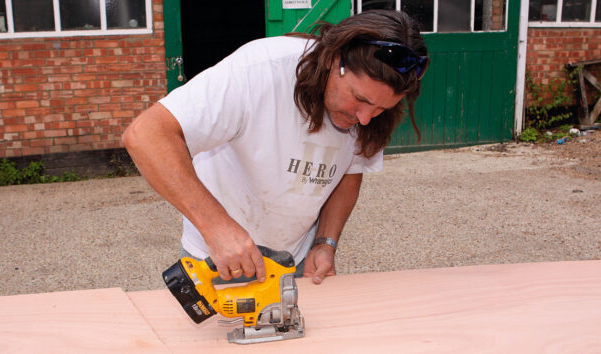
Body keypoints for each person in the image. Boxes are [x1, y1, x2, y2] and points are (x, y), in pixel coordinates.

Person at [122, 9, 429, 285]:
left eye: (379, 109)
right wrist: (216, 227)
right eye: (360, 99)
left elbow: (351, 169)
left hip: (291, 263)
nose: (364, 119)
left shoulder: (370, 114)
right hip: (216, 257)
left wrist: (325, 242)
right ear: (335, 59)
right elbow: (146, 135)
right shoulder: (259, 71)